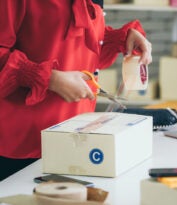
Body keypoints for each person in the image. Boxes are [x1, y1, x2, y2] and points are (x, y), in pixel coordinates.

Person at [0, 0, 152, 181]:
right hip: (20, 141)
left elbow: (76, 47)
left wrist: (121, 39)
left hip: (74, 135)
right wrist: (50, 79)